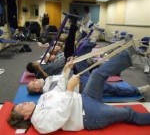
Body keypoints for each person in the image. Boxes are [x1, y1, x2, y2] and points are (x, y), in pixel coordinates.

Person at [8, 48, 150, 134]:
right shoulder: (39, 122)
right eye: (22, 106)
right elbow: (60, 116)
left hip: (85, 98)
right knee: (127, 113)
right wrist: (70, 90)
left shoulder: (41, 100)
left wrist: (66, 70)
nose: (24, 103)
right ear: (25, 117)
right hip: (88, 115)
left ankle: (128, 55)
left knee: (97, 74)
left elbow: (58, 89)